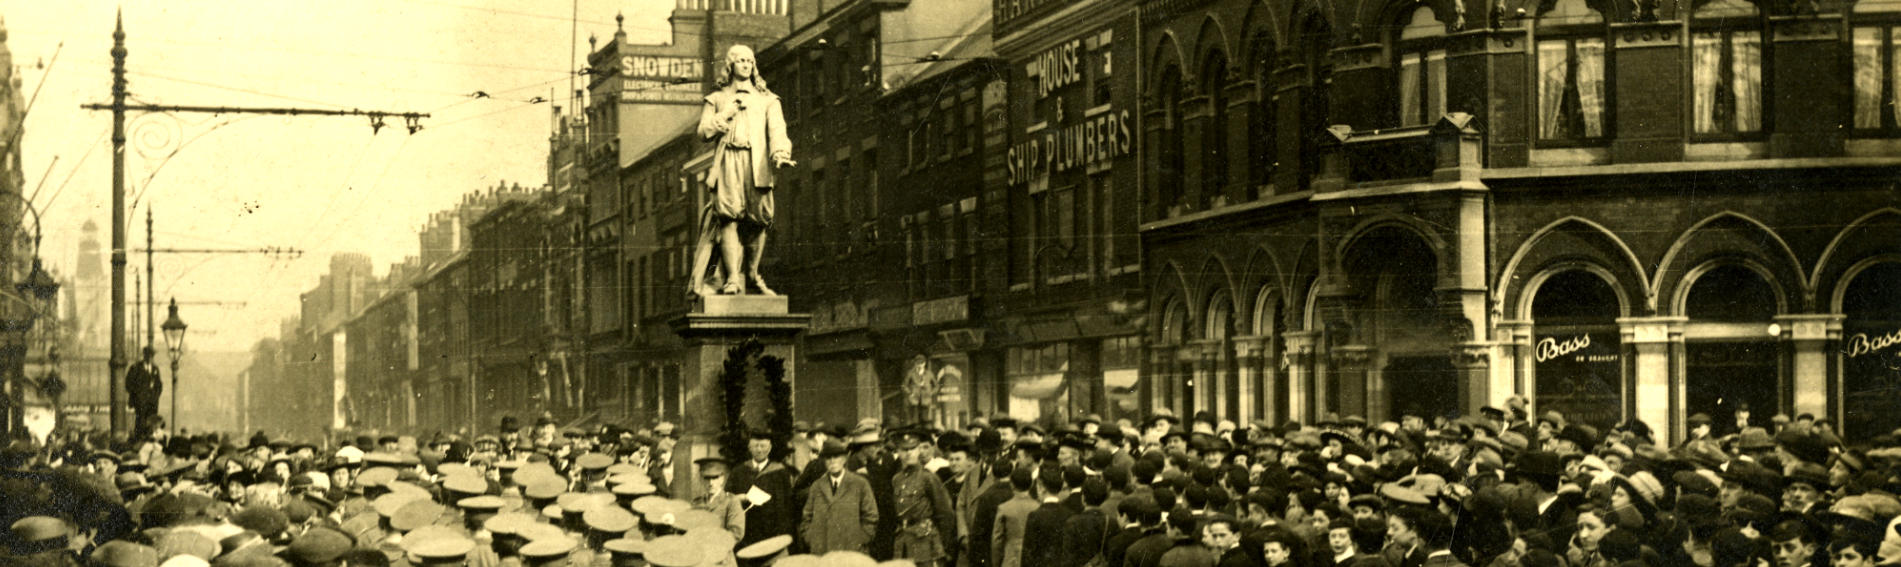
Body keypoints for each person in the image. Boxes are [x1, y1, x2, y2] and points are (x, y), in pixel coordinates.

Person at [688, 43, 795, 298]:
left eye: (749, 61)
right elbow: (703, 132)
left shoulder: (768, 100)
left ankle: (753, 275)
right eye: (741, 61)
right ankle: (733, 279)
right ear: (730, 66)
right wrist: (725, 114)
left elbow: (778, 131)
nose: (746, 65)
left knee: (760, 220)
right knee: (728, 218)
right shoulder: (717, 98)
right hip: (729, 162)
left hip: (757, 163)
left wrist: (780, 154)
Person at [802, 440, 878, 554]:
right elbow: (806, 517)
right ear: (824, 461)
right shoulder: (817, 486)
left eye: (836, 456)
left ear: (844, 459)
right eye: (828, 458)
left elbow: (871, 516)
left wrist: (861, 539)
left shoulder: (860, 484)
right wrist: (811, 538)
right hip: (822, 551)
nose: (832, 461)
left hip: (851, 550)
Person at [732, 429, 798, 547]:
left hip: (773, 532)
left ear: (770, 448)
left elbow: (787, 505)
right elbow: (728, 498)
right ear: (749, 447)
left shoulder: (780, 472)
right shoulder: (739, 471)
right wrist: (739, 498)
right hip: (747, 532)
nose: (759, 449)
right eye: (755, 445)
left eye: (763, 446)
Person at [126, 347, 164, 440]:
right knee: (141, 422)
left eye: (152, 356)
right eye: (148, 356)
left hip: (152, 402)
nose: (150, 358)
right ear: (145, 356)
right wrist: (137, 395)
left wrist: (155, 396)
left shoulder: (155, 369)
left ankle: (150, 438)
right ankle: (139, 439)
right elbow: (128, 384)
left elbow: (159, 384)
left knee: (151, 423)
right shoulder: (135, 368)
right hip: (140, 402)